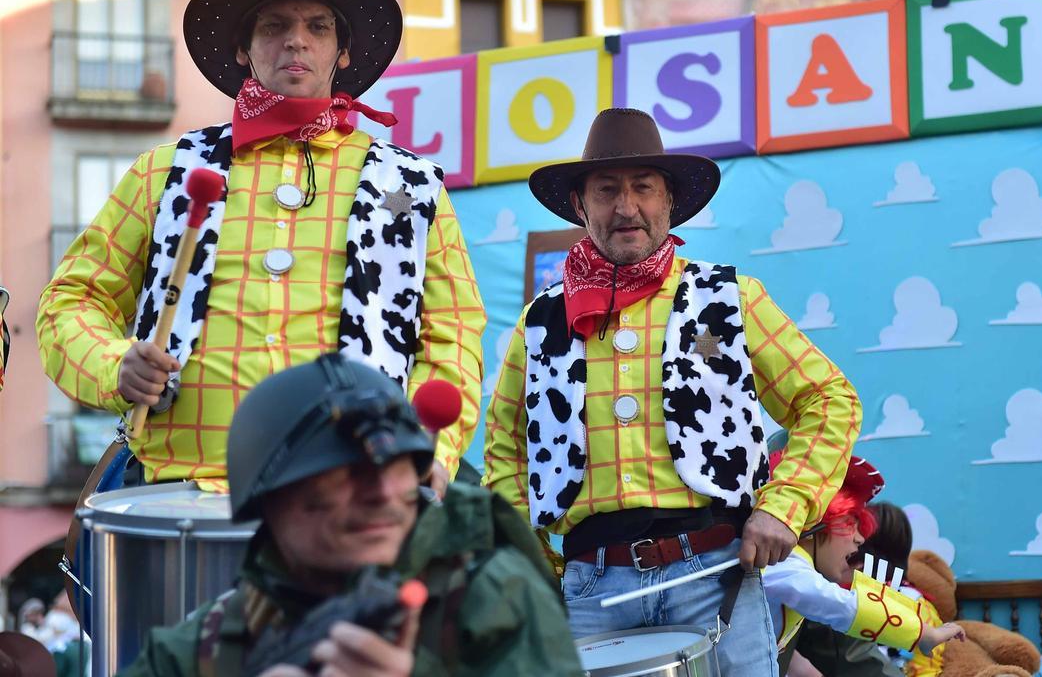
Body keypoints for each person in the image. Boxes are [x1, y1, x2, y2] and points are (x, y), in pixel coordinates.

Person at [37, 0, 484, 492]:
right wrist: (116, 365)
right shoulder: (164, 172)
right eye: (274, 26)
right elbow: (71, 301)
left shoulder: (410, 186)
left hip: (351, 493)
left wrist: (430, 449)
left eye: (318, 27)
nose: (296, 39)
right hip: (181, 489)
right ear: (245, 50)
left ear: (341, 53)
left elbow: (453, 336)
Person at [484, 107, 863, 674]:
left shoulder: (728, 298)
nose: (626, 206)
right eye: (607, 190)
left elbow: (830, 400)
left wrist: (783, 510)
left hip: (716, 573)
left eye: (644, 188)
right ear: (579, 205)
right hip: (592, 593)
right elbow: (505, 455)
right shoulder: (541, 321)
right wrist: (537, 568)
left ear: (669, 202)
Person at [119, 353, 583, 676]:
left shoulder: (494, 601)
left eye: (400, 466)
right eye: (347, 474)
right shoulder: (208, 645)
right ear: (270, 499)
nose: (383, 492)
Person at [766, 457, 963, 676]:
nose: (860, 538)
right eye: (850, 522)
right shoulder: (783, 565)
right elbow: (842, 605)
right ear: (815, 523)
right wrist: (923, 634)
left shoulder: (788, 569)